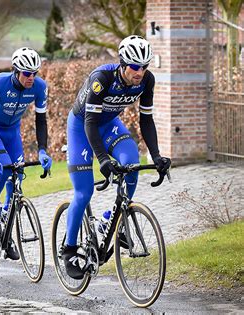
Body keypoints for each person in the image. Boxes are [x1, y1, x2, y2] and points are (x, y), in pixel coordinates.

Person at [63, 35, 172, 279]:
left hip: (110, 124)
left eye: (144, 67)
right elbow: (90, 122)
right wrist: (102, 159)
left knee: (131, 163)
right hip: (82, 127)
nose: (140, 72)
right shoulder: (101, 79)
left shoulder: (147, 81)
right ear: (122, 64)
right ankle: (69, 249)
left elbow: (146, 120)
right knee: (84, 193)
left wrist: (156, 156)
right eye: (135, 67)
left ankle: (113, 222)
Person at [0, 47, 52, 260]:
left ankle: (6, 236)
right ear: (16, 70)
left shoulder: (39, 87)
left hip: (12, 132)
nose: (31, 77)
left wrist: (43, 150)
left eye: (35, 73)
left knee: (17, 177)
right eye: (27, 73)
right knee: (4, 169)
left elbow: (41, 121)